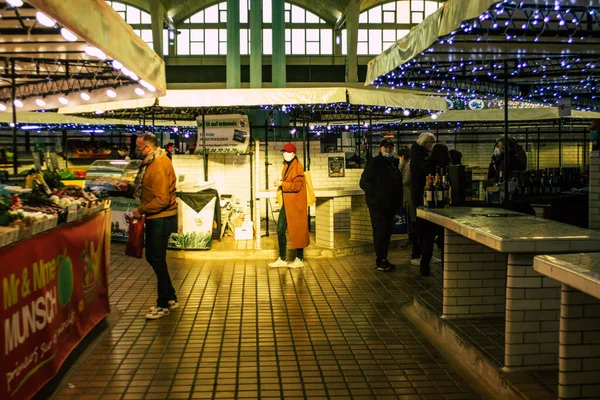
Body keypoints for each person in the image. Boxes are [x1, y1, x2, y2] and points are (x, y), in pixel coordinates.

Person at [131, 133, 178, 320]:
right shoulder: (152, 162)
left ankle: (163, 304)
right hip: (157, 217)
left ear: (148, 148)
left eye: (139, 147)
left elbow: (162, 199)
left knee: (156, 259)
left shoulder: (158, 164)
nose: (137, 150)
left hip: (161, 218)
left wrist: (140, 210)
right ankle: (171, 297)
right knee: (154, 258)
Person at [360, 138, 403, 272]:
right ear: (380, 148)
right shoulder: (375, 162)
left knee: (386, 232)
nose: (388, 150)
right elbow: (364, 182)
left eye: (390, 148)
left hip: (390, 204)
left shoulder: (394, 162)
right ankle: (380, 260)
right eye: (386, 148)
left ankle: (383, 259)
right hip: (378, 205)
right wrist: (377, 195)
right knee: (380, 232)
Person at [269, 143, 310, 268]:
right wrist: (281, 183)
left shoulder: (297, 167)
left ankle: (299, 259)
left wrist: (282, 184)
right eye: (284, 151)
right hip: (288, 204)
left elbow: (297, 186)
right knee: (280, 229)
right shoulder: (287, 166)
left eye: (287, 152)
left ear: (293, 153)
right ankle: (282, 258)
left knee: (297, 230)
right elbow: (288, 182)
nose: (284, 154)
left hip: (295, 205)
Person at [418, 143, 451, 276]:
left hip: (428, 207)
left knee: (427, 239)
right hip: (444, 209)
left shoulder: (425, 165)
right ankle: (446, 268)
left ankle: (424, 267)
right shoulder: (447, 169)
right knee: (444, 240)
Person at [410, 132, 436, 275]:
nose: (431, 146)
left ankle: (420, 253)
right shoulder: (419, 156)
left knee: (420, 225)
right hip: (420, 194)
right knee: (420, 225)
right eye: (431, 143)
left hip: (419, 193)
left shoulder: (416, 154)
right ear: (425, 143)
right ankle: (417, 254)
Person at [398, 148, 415, 249]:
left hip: (408, 196)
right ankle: (411, 239)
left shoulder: (407, 166)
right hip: (406, 195)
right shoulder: (406, 165)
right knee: (409, 218)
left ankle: (412, 240)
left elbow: (405, 181)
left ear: (403, 157)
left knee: (410, 218)